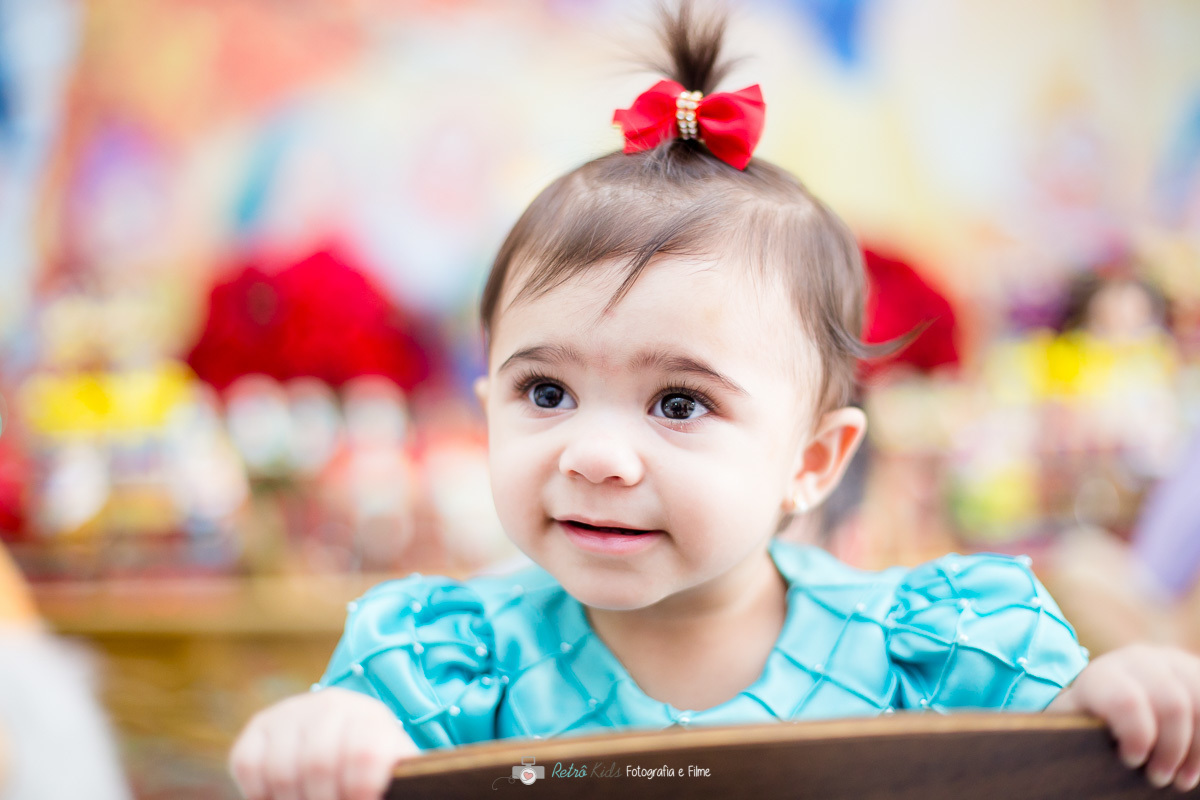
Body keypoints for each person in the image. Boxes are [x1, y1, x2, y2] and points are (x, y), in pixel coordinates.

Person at [229, 6, 1200, 799]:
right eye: (547, 390)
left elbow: (1064, 723)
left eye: (681, 403)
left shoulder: (920, 644)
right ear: (487, 408)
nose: (595, 455)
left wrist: (1118, 691)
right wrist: (329, 734)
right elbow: (361, 726)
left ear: (812, 462)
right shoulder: (450, 666)